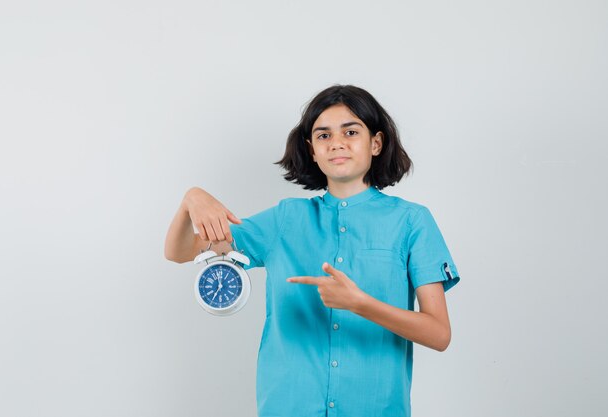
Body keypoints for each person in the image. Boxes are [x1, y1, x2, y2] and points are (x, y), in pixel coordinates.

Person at [164, 84, 461, 417]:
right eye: (323, 135)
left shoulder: (411, 222)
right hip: (288, 407)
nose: (336, 143)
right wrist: (192, 198)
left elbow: (438, 334)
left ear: (376, 143)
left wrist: (360, 303)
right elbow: (179, 251)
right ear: (311, 150)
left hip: (376, 408)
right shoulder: (285, 219)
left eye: (351, 131)